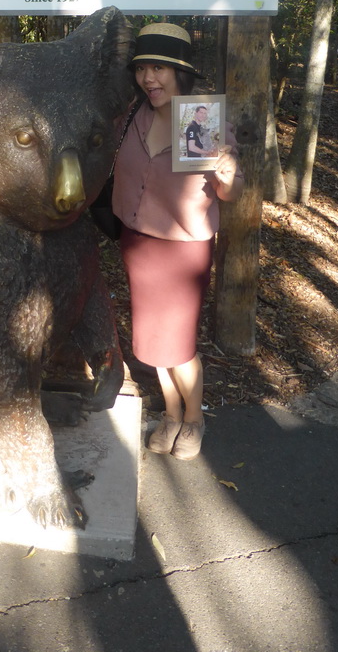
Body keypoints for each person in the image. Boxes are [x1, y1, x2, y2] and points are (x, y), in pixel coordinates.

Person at [112, 23, 244, 460]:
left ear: (180, 73)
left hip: (182, 251)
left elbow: (230, 190)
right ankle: (170, 413)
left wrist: (227, 177)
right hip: (138, 245)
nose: (149, 78)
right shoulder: (135, 115)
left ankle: (194, 418)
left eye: (160, 68)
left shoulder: (199, 121)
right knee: (153, 343)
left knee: (179, 346)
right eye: (143, 68)